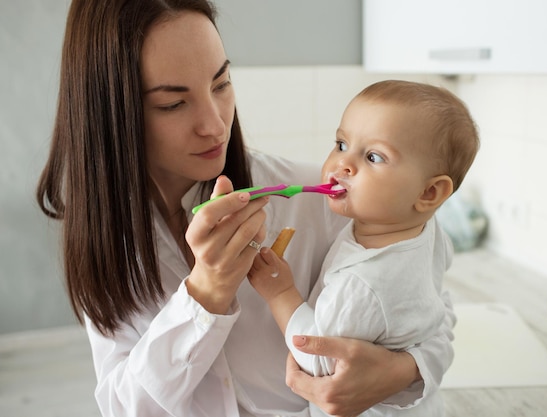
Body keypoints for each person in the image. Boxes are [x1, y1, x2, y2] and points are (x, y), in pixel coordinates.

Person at [36, 1, 457, 416]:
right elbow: (125, 407)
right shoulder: (106, 238)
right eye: (173, 104)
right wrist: (206, 294)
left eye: (221, 84)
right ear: (111, 113)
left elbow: (430, 311)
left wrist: (404, 371)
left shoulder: (334, 202)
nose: (216, 125)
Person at [248, 80, 479, 417]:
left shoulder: (363, 284)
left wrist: (280, 293)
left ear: (429, 193)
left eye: (373, 156)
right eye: (341, 144)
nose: (342, 164)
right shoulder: (426, 230)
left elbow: (320, 360)